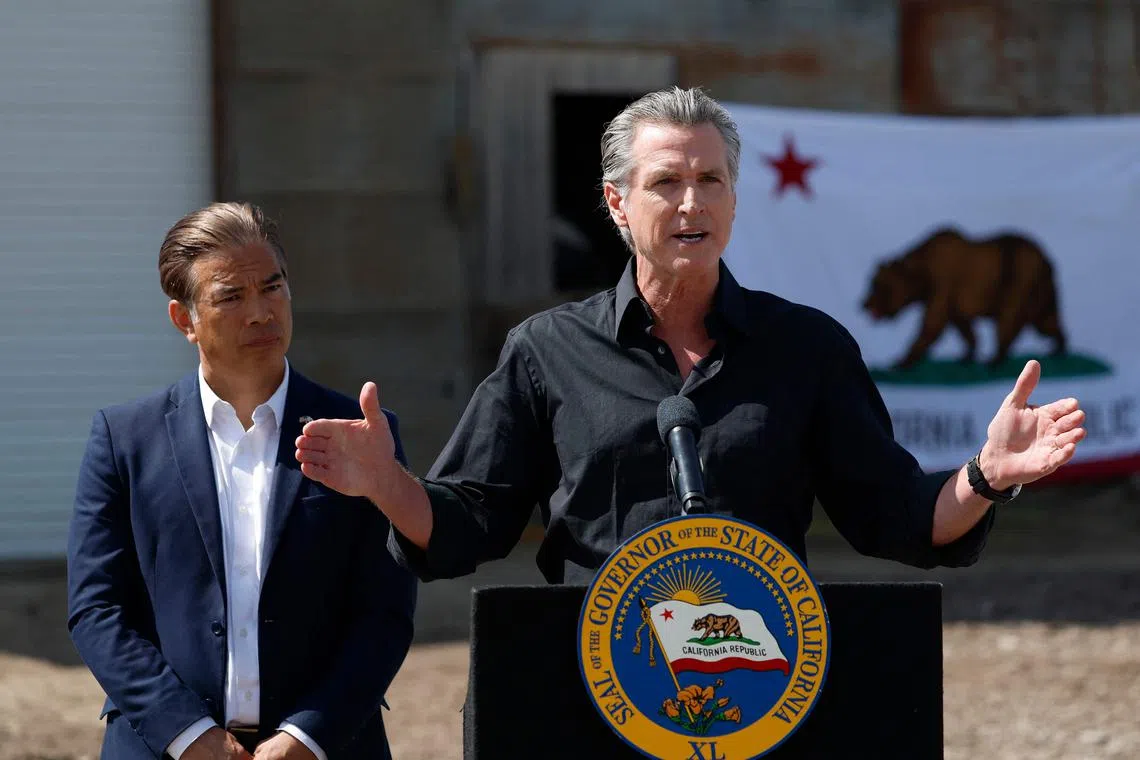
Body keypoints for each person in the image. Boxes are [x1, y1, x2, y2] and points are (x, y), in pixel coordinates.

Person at [294, 86, 1087, 586]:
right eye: (665, 182)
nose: (690, 205)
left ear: (735, 201)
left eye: (711, 181)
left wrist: (986, 475)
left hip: (760, 690)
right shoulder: (545, 351)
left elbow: (902, 519)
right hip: (590, 688)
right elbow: (470, 524)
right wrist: (386, 486)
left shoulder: (807, 349)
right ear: (615, 204)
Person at [67, 202, 416, 760]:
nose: (261, 312)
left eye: (273, 288)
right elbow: (97, 609)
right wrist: (187, 733)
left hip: (327, 748)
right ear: (185, 319)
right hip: (164, 747)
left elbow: (385, 612)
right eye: (231, 296)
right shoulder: (125, 439)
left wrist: (306, 736)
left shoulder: (358, 434)